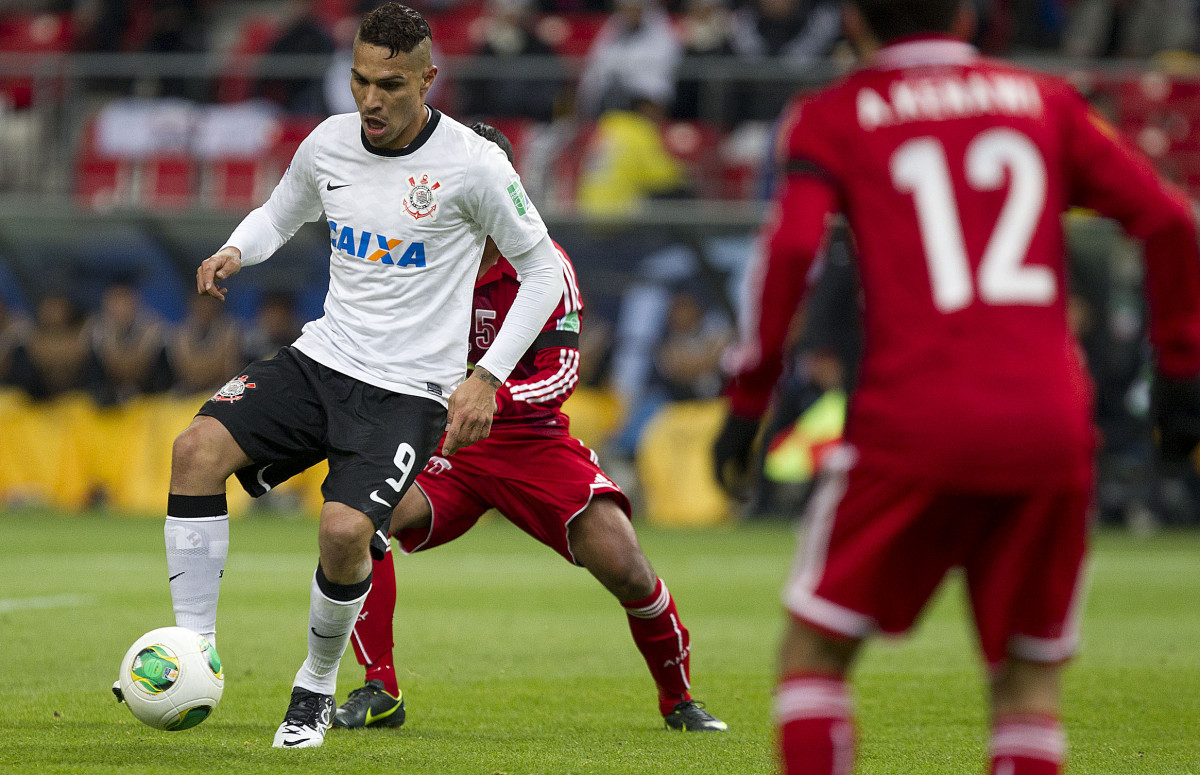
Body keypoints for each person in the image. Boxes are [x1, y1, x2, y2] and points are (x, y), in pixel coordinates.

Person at [711, 1, 1200, 773]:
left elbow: (794, 248)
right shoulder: (1046, 101)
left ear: (855, 21)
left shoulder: (834, 114)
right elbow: (1172, 221)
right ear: (969, 14)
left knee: (816, 648)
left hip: (914, 419)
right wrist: (1179, 371)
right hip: (1049, 424)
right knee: (1027, 681)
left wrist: (748, 399)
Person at [161, 3, 563, 750]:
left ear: (427, 79)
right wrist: (233, 250)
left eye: (389, 85)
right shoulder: (329, 142)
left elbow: (541, 273)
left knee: (344, 532)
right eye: (359, 81)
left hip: (407, 391)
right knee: (194, 451)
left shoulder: (476, 167)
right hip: (324, 358)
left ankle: (314, 686)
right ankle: (195, 653)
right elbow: (279, 216)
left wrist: (487, 378)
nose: (370, 100)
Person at [322, 122, 726, 734]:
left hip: (529, 441)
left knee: (625, 565)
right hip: (445, 442)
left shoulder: (545, 262)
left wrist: (489, 400)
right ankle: (381, 687)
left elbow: (562, 372)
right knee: (361, 521)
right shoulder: (420, 252)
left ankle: (680, 700)